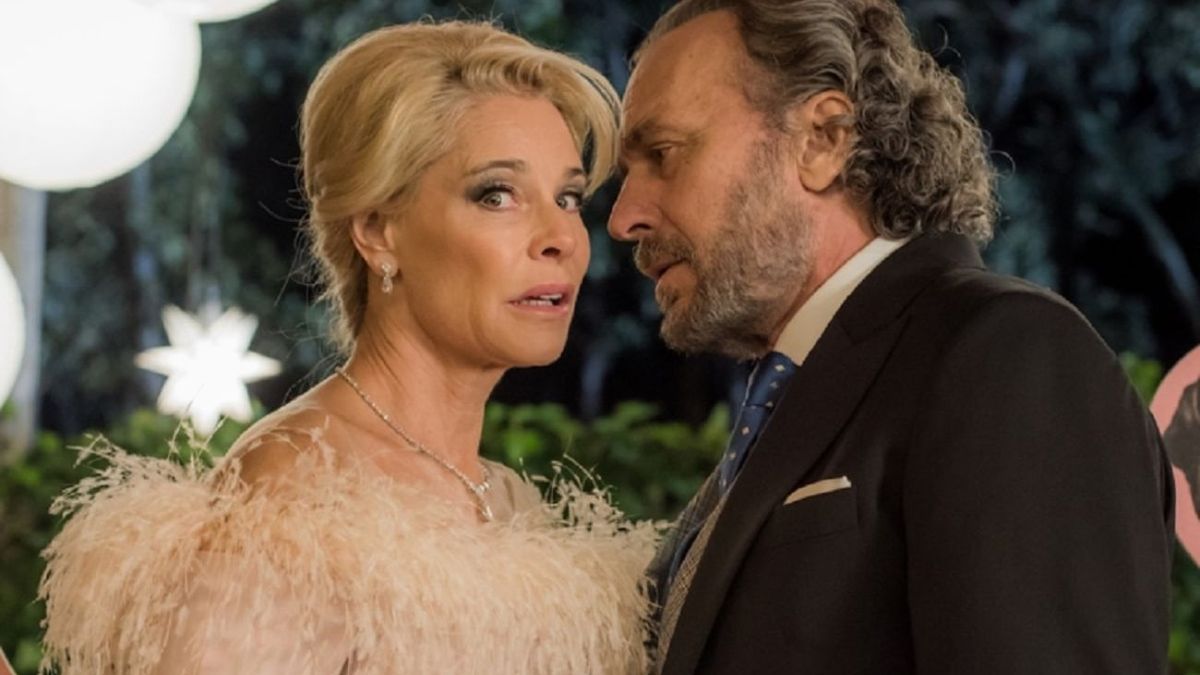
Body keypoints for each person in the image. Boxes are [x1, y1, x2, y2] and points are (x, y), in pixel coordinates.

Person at [39, 21, 658, 674]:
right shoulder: (295, 492)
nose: (561, 237)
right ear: (377, 231)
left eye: (567, 196)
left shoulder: (505, 497)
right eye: (497, 195)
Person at [608, 1, 1174, 673]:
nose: (623, 217)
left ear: (823, 138)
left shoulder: (1010, 354)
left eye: (662, 154)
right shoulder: (795, 395)